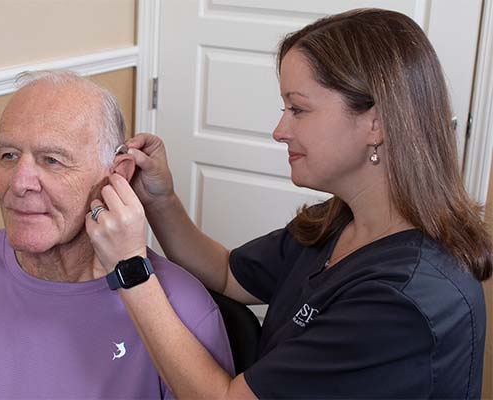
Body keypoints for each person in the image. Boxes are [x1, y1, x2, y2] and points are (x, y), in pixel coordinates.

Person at [84, 8, 492, 399]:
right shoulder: (341, 223)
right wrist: (161, 200)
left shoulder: (402, 302)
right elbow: (227, 273)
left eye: (298, 109)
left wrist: (130, 268)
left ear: (376, 123)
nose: (280, 130)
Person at [0, 70, 234, 399]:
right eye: (9, 155)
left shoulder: (183, 309)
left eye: (52, 160)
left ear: (117, 175)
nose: (20, 182)